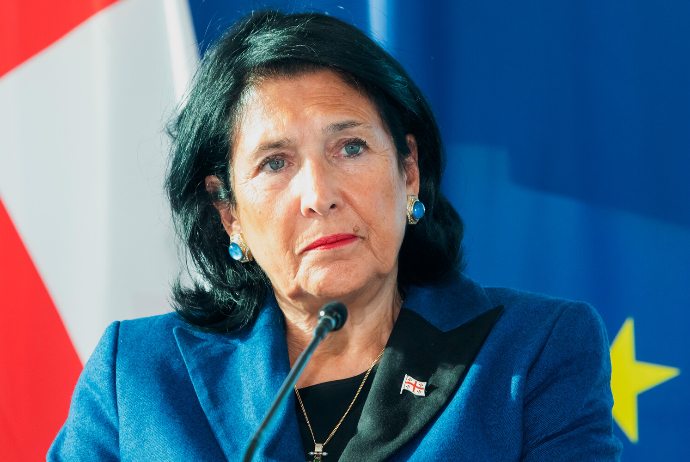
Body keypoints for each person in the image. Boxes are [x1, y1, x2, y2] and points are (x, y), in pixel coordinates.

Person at [49, 10, 623, 461]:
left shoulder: (535, 351)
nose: (318, 194)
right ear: (229, 214)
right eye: (275, 163)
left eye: (350, 147)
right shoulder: (137, 377)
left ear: (408, 171)